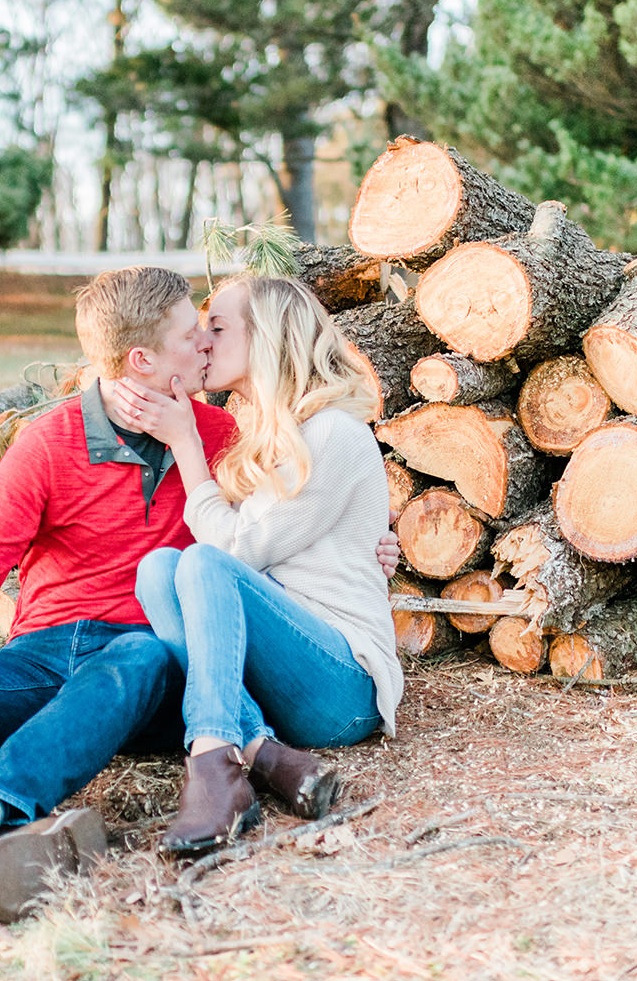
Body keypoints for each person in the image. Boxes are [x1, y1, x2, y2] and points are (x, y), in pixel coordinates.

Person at [0, 265, 240, 922]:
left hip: (144, 670)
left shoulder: (219, 438)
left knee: (142, 655)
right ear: (141, 359)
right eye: (190, 331)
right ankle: (11, 844)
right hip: (43, 656)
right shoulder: (48, 444)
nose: (206, 340)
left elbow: (267, 542)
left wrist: (377, 543)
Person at [104, 274, 402, 854]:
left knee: (200, 564)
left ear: (268, 337)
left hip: (344, 687)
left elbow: (232, 553)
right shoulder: (275, 433)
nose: (205, 342)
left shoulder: (332, 433)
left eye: (217, 327)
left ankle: (213, 760)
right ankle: (262, 753)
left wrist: (185, 444)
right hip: (292, 671)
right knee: (159, 570)